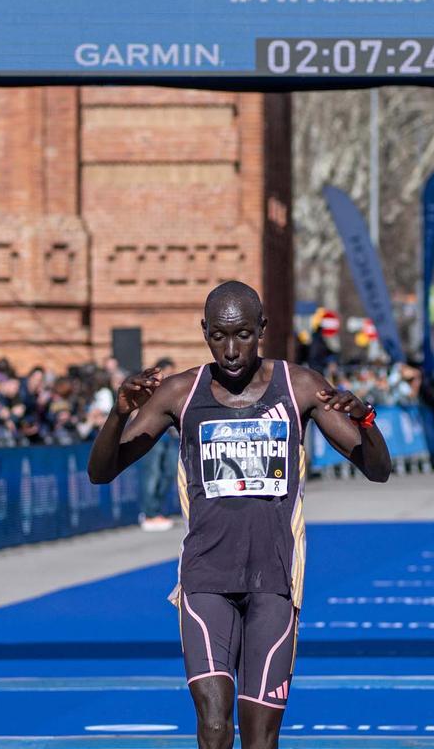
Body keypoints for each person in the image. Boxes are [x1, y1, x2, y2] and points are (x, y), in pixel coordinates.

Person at [89, 281, 391, 749]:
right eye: (219, 336)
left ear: (263, 330)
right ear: (205, 331)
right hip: (206, 577)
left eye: (244, 335)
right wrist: (117, 415)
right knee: (212, 727)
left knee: (259, 739)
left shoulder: (301, 386)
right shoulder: (179, 393)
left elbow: (377, 471)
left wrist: (366, 422)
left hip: (274, 580)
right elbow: (102, 472)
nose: (231, 350)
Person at [137, 357, 179, 532]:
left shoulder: (172, 390)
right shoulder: (150, 388)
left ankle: (157, 511)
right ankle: (149, 514)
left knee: (170, 472)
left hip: (169, 435)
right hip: (152, 436)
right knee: (152, 473)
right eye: (168, 371)